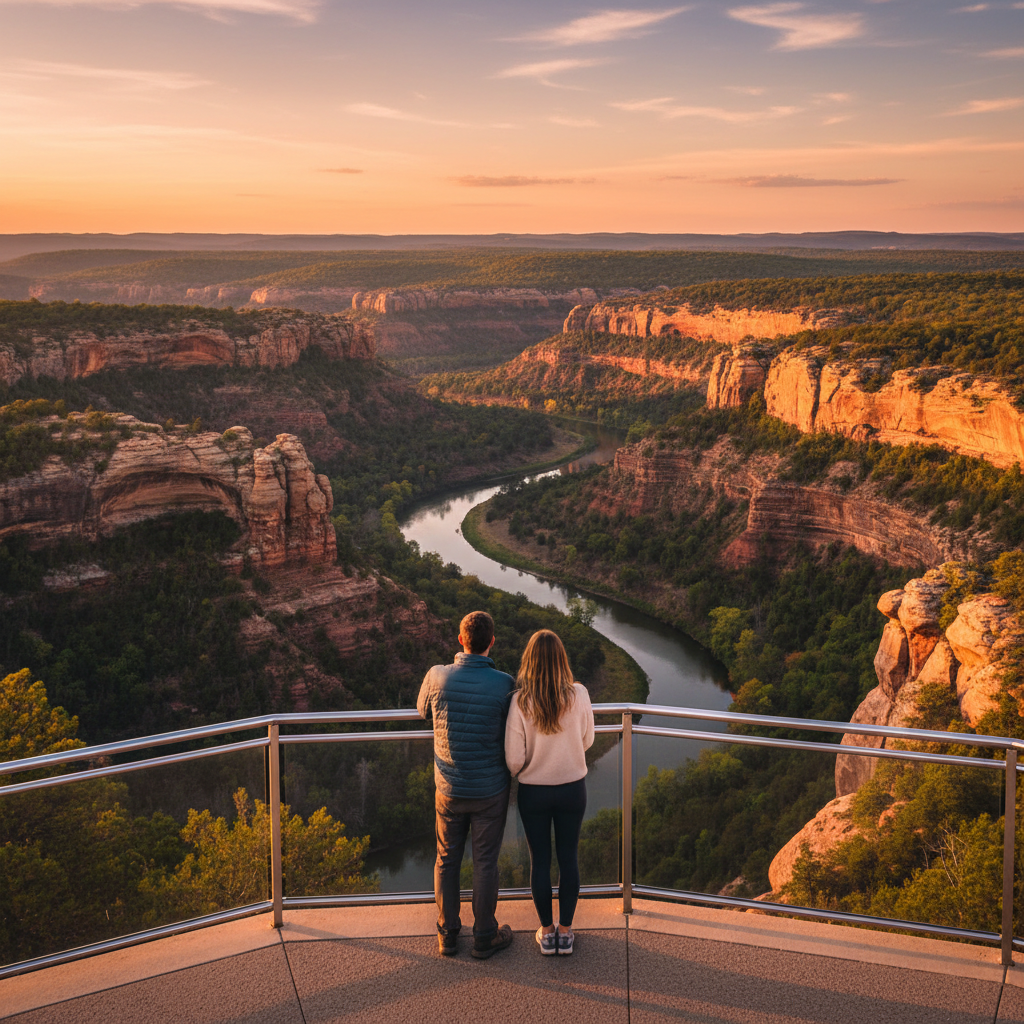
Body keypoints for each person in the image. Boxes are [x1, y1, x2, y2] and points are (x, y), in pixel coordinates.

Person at [417, 610, 515, 959]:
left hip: (449, 788)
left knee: (446, 859)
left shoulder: (437, 675)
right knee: (485, 862)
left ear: (460, 640)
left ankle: (447, 934)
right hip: (490, 790)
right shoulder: (505, 684)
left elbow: (422, 711)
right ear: (492, 642)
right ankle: (485, 935)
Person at [504, 629, 594, 956]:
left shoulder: (520, 701)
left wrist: (532, 765)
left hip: (534, 793)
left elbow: (513, 759)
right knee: (568, 858)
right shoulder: (579, 694)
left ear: (529, 661)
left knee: (539, 860)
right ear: (562, 660)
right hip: (572, 790)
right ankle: (566, 933)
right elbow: (587, 741)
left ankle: (546, 932)